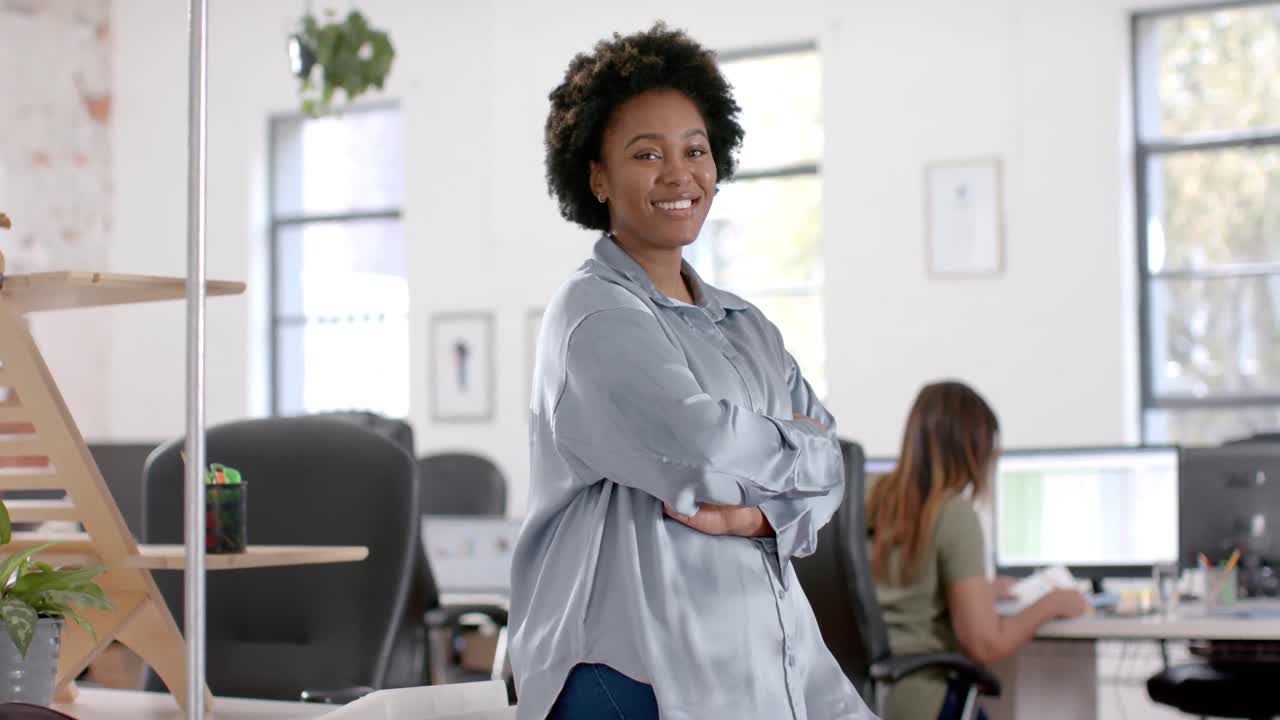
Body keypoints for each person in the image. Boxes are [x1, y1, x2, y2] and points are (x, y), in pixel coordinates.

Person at [508, 22, 873, 720]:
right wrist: (790, 453)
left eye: (695, 150)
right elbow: (699, 448)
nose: (679, 174)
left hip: (759, 658)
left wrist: (754, 518)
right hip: (632, 669)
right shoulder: (592, 314)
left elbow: (833, 467)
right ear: (596, 175)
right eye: (647, 153)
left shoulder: (746, 327)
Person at [865, 381, 1089, 720]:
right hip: (922, 702)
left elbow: (907, 589)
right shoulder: (952, 512)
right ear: (973, 449)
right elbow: (984, 644)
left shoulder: (869, 494)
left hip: (855, 698)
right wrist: (1052, 603)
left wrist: (977, 589)